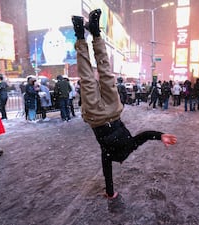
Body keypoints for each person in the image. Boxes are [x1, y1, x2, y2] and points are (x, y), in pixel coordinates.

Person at [72, 9, 177, 199]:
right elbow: (107, 175)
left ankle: (94, 34)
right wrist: (110, 193)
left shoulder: (130, 147)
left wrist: (160, 136)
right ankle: (83, 34)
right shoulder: (108, 155)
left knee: (105, 72)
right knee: (88, 77)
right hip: (98, 117)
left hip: (113, 111)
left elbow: (145, 135)